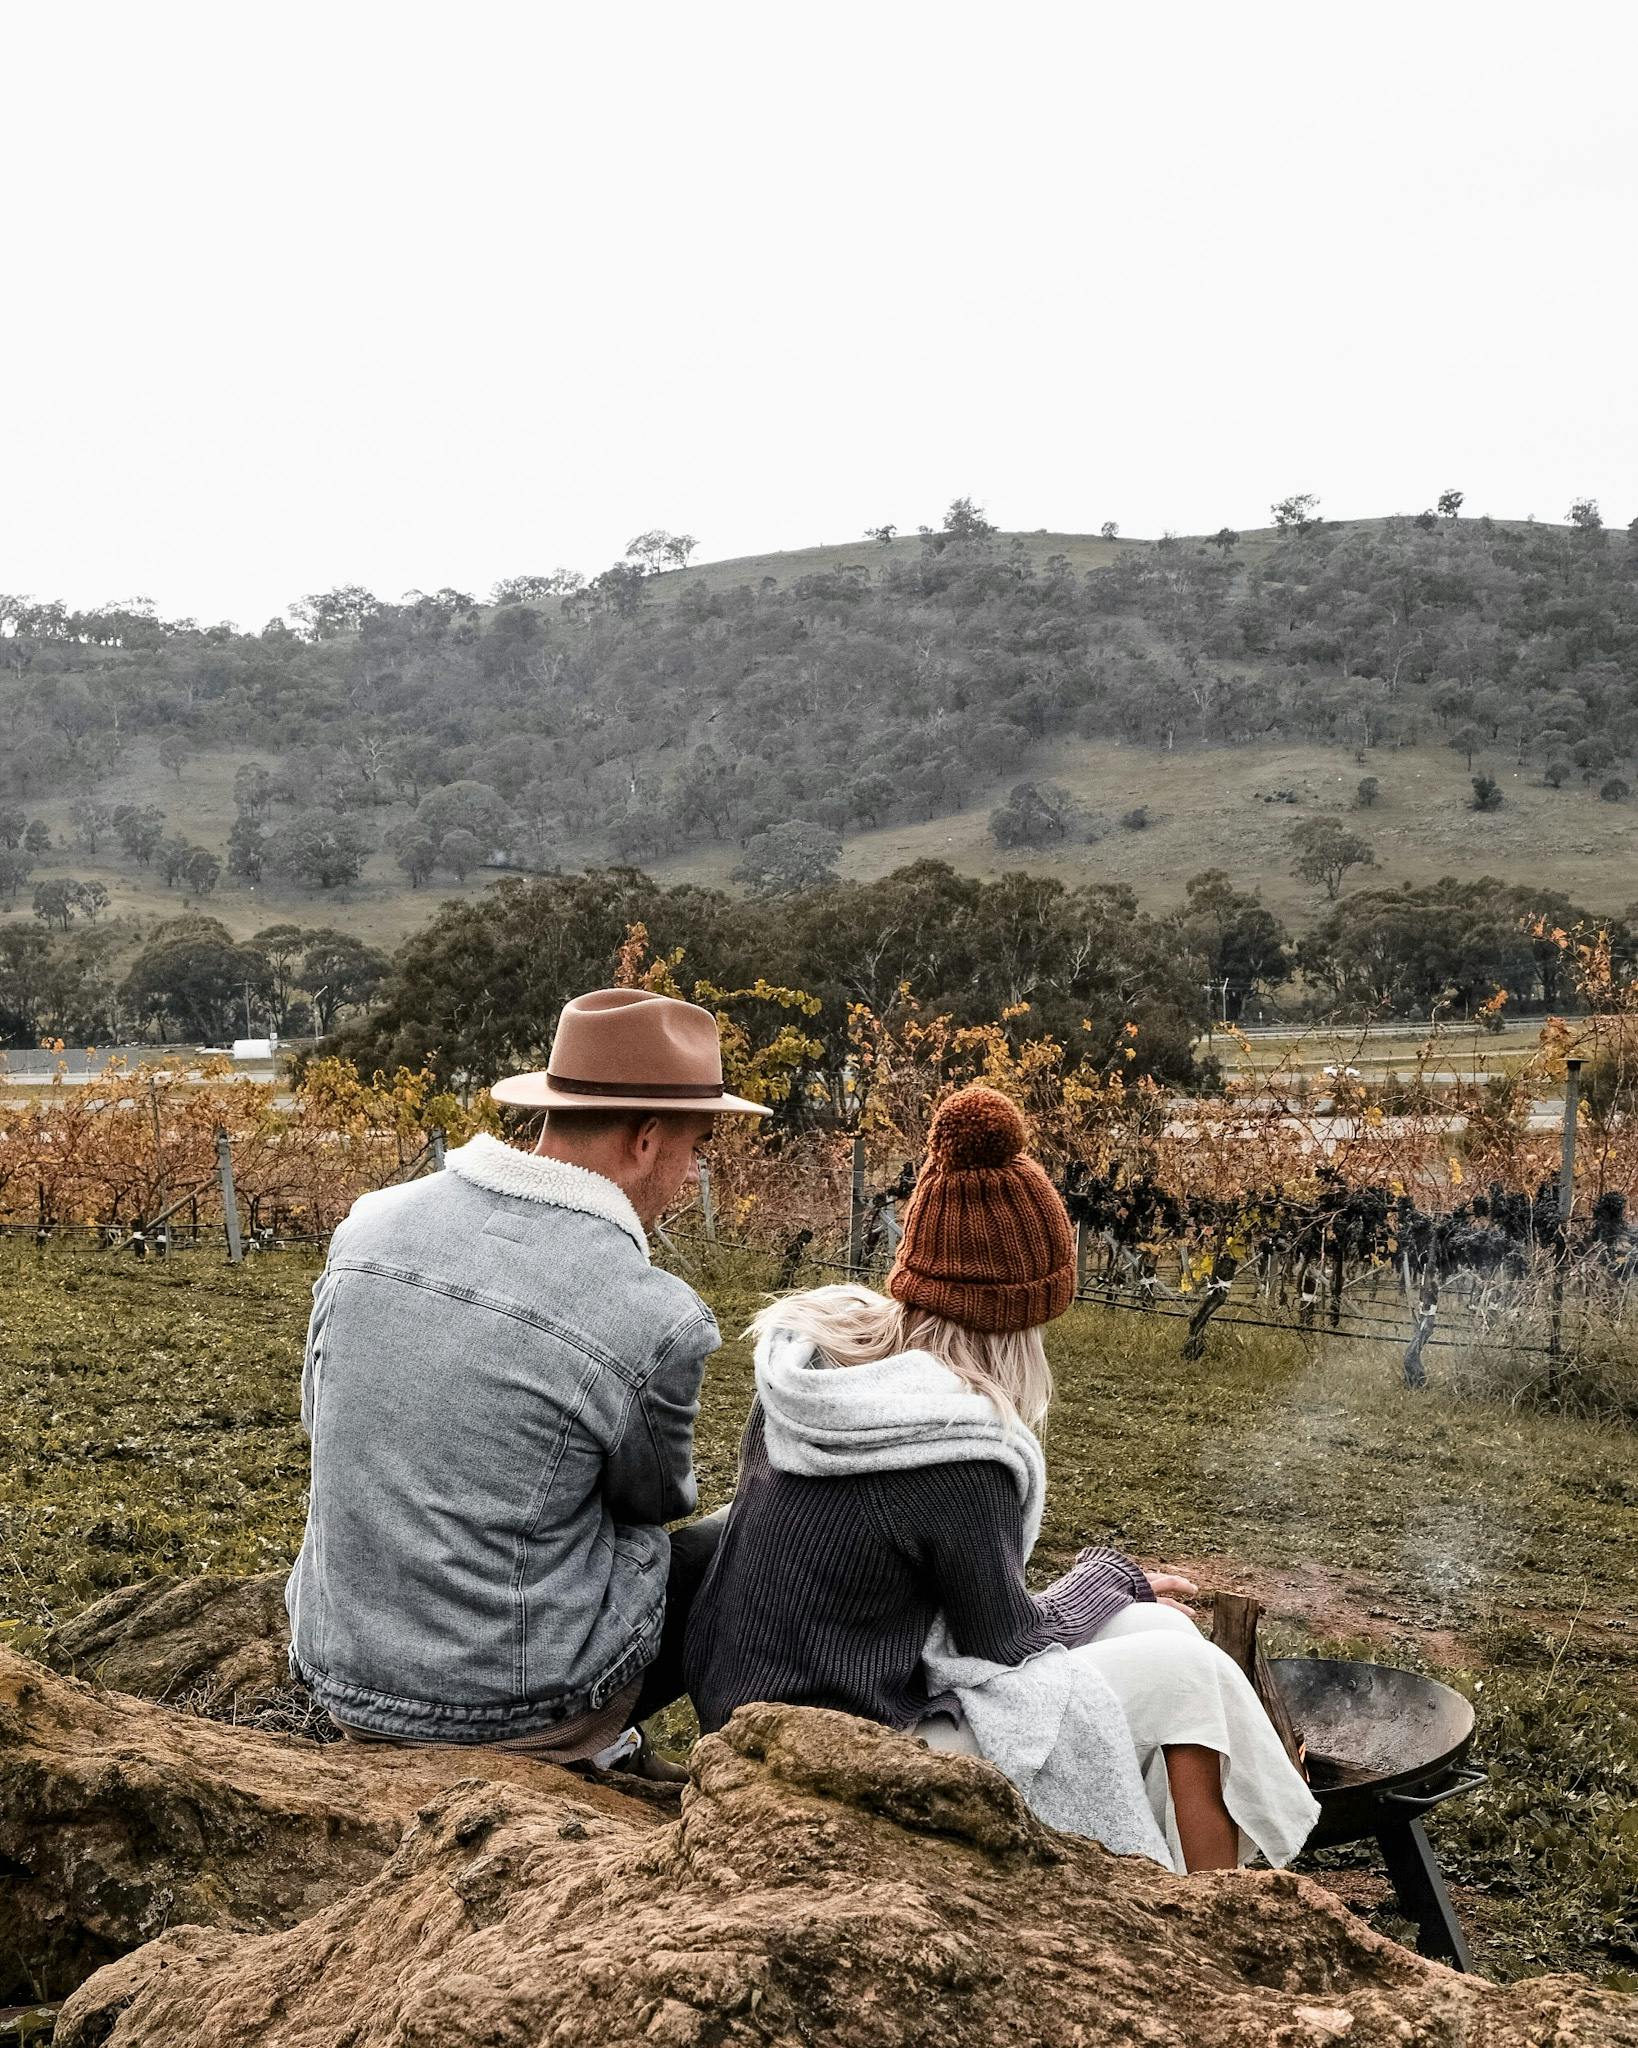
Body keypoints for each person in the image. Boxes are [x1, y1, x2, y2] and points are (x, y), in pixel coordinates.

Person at [685, 1084, 1320, 1870]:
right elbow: (1006, 1644)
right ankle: (1205, 1917)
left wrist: (1123, 1596)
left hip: (751, 1708)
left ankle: (1184, 1870)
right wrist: (1107, 1576)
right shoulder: (953, 1448)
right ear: (1020, 1312)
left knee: (1158, 1630)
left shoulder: (819, 1368)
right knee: (1188, 1671)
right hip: (848, 1747)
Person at [285, 987, 768, 1771]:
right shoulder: (655, 1316)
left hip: (345, 1676)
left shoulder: (367, 1223)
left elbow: (322, 1414)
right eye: (695, 1148)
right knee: (742, 1538)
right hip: (508, 1706)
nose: (689, 1177)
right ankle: (623, 1756)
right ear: (647, 1140)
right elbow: (652, 1504)